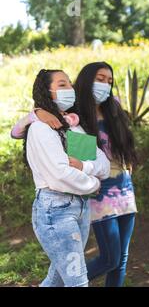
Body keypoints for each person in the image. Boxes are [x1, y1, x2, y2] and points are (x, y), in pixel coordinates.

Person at [24, 69, 110, 287]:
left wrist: (84, 165)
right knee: (78, 283)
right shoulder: (40, 129)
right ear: (48, 92)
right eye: (62, 85)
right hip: (56, 212)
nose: (70, 89)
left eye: (70, 84)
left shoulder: (71, 128)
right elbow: (60, 175)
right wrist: (94, 183)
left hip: (79, 209)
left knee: (57, 280)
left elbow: (103, 164)